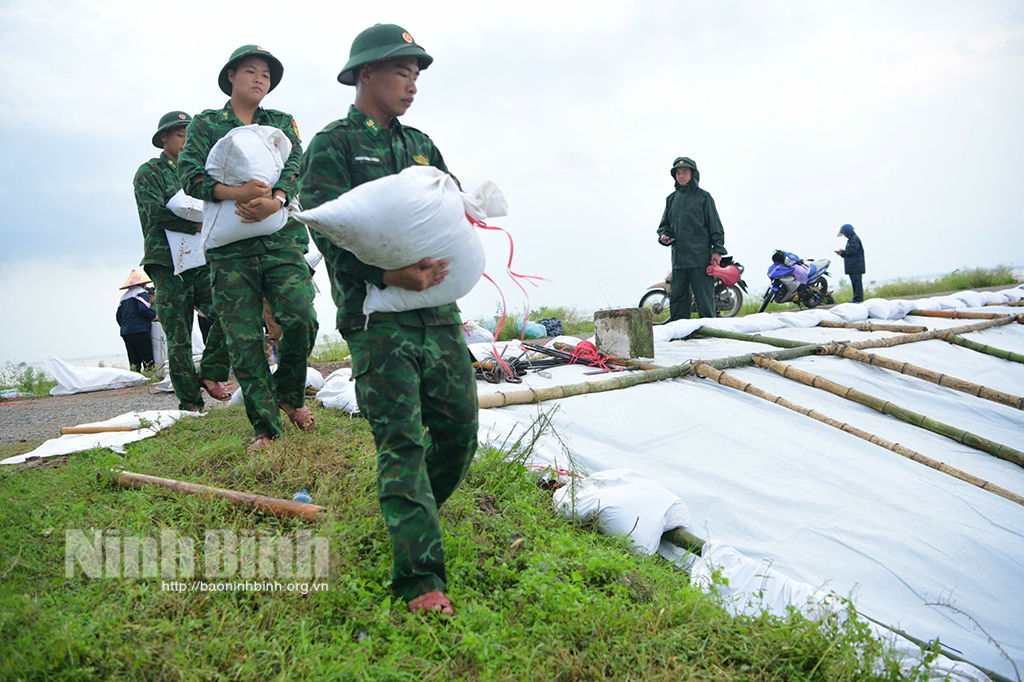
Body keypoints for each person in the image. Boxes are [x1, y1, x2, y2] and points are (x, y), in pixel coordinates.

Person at [299, 24, 478, 616]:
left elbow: (448, 208)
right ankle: (420, 581)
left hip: (437, 313)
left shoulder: (422, 143)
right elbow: (328, 229)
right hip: (379, 319)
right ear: (366, 73)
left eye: (418, 74)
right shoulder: (333, 145)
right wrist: (385, 277)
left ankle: (412, 515)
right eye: (403, 71)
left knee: (457, 434)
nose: (412, 84)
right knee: (400, 442)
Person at [177, 45, 318, 451]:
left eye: (266, 76)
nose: (259, 79)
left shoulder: (279, 122)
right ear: (232, 76)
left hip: (280, 240)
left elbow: (297, 164)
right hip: (230, 251)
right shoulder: (207, 124)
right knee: (242, 339)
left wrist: (275, 199)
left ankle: (289, 393)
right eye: (251, 71)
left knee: (300, 317)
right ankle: (266, 427)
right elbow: (190, 176)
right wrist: (235, 191)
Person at [135, 110, 232, 411]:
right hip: (166, 261)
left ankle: (211, 373)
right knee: (178, 335)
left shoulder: (199, 172)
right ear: (164, 137)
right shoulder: (150, 171)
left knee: (229, 311)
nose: (186, 140)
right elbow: (155, 212)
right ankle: (191, 404)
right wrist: (197, 224)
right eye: (180, 134)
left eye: (190, 135)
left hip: (202, 259)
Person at [656, 157, 727, 320]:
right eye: (678, 173)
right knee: (678, 298)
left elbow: (715, 225)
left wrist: (717, 250)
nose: (681, 176)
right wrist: (664, 236)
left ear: (693, 174)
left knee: (704, 299)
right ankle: (680, 336)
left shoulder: (704, 197)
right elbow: (664, 225)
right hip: (679, 258)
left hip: (700, 257)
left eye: (684, 172)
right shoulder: (671, 199)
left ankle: (711, 334)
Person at [116, 270, 157, 371]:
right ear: (143, 284)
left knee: (133, 359)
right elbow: (143, 309)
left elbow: (118, 316)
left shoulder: (124, 297)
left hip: (126, 331)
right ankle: (150, 376)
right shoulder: (141, 293)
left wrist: (125, 325)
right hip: (139, 329)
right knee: (147, 357)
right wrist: (154, 316)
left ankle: (135, 377)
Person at [835, 223, 865, 303]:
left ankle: (858, 299)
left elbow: (852, 252)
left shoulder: (854, 239)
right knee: (855, 283)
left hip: (856, 266)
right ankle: (856, 298)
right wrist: (842, 253)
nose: (844, 235)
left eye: (845, 233)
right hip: (853, 266)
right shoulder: (851, 240)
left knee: (857, 282)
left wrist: (843, 252)